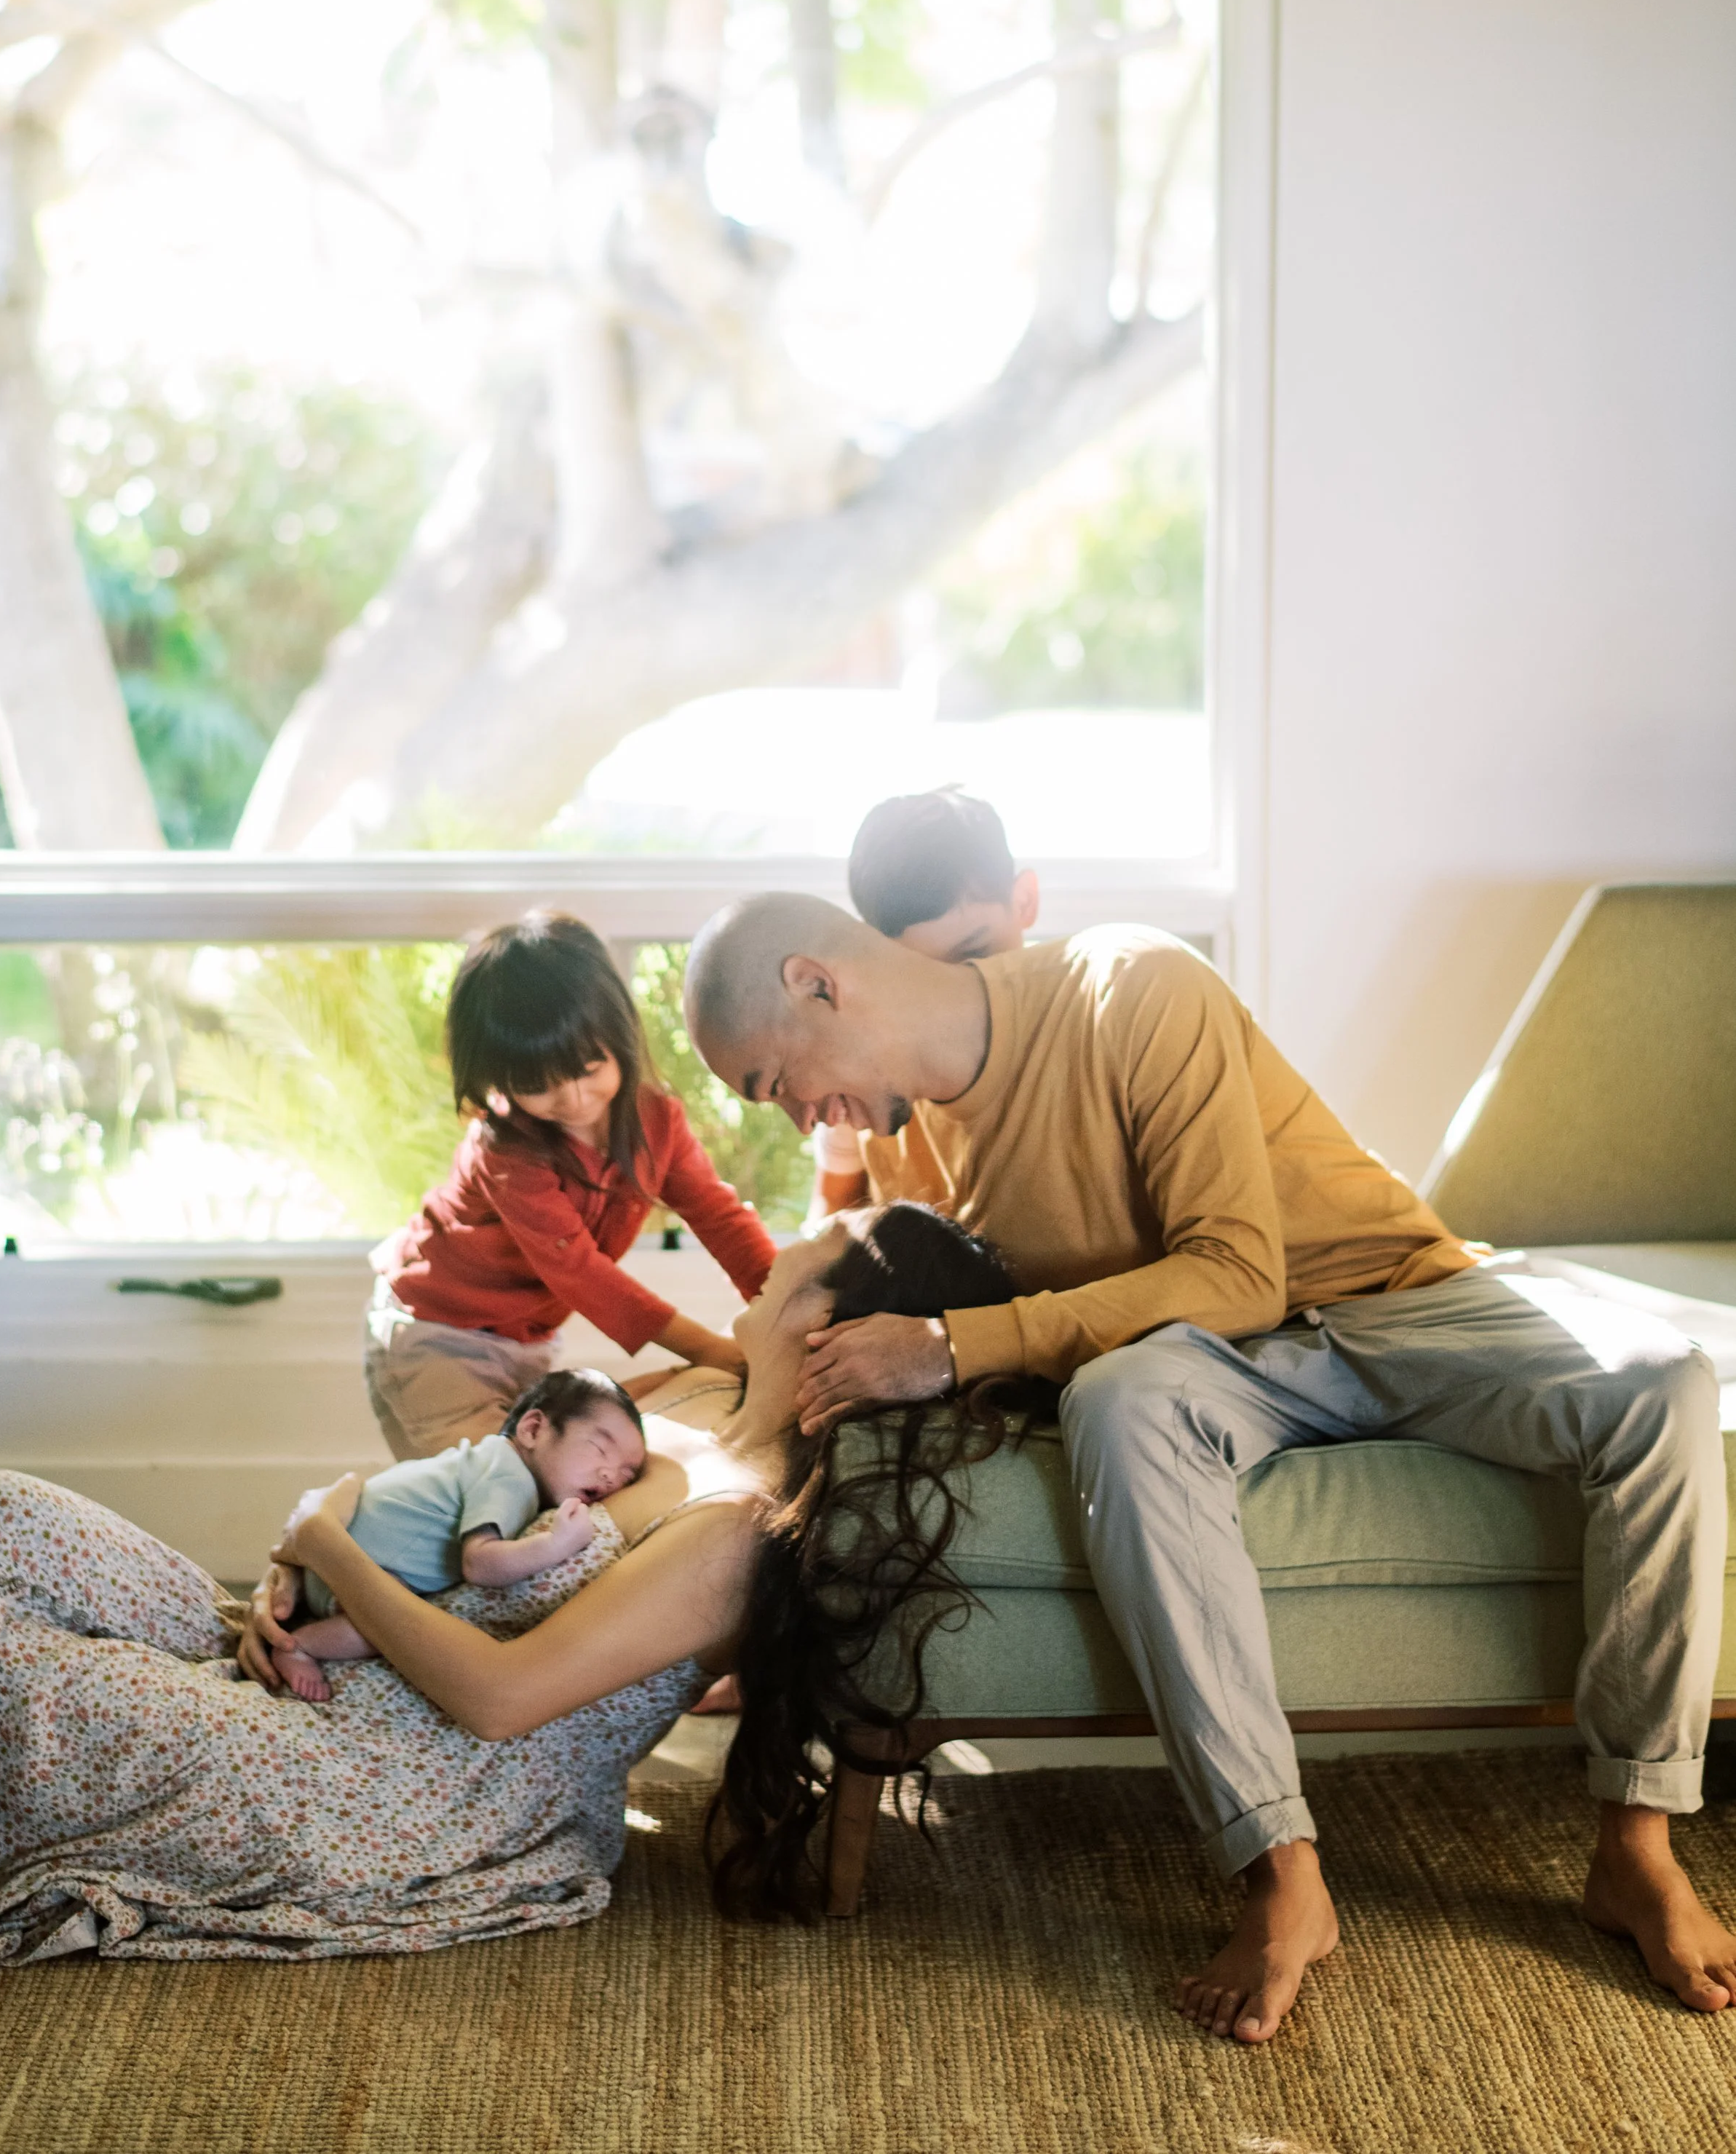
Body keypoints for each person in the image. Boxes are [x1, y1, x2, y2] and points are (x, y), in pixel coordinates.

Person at [681, 892, 1736, 2040]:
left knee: (1667, 1382)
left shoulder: (1128, 982)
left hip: (1398, 1297)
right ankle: (1282, 1871)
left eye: (773, 1082)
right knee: (1119, 1401)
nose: (795, 1118)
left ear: (816, 983)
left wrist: (952, 1345)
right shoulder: (902, 1137)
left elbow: (1237, 1271)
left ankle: (1636, 1841)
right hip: (1216, 1369)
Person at [0, 1208, 1019, 1993]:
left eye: (803, 1257)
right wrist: (295, 1567)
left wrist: (329, 1554)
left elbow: (499, 1700)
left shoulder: (739, 1529)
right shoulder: (686, 1393)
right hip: (348, 1652)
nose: (770, 1257)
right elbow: (460, 1485)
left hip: (407, 1776)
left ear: (835, 1323)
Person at [365, 913, 777, 1460]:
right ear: (493, 1074)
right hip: (438, 1336)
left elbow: (718, 1217)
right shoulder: (505, 1149)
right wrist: (710, 1349)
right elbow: (579, 1272)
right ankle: (322, 1538)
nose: (574, 1098)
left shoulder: (657, 1122)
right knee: (484, 1488)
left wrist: (781, 1305)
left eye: (589, 1067)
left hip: (527, 1340)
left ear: (619, 1036)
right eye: (537, 1085)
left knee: (535, 1473)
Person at [279, 1369, 649, 1703]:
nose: (610, 1475)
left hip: (348, 1556)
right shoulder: (510, 1477)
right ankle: (298, 1646)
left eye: (627, 1474)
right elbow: (481, 1563)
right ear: (533, 1430)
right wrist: (556, 1544)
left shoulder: (494, 1462)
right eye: (600, 1449)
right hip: (357, 1568)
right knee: (388, 1632)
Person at [809, 787, 1040, 1221]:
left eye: (977, 956)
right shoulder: (856, 1070)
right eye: (917, 974)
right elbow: (832, 1212)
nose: (951, 994)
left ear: (1025, 900)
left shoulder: (1097, 1033)